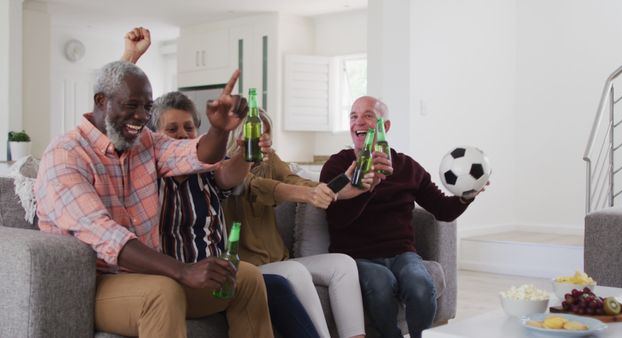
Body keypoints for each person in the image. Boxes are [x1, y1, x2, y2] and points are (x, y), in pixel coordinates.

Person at [34, 46, 273, 338]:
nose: (141, 116)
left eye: (147, 107)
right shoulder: (65, 155)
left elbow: (195, 154)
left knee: (244, 277)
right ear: (101, 101)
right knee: (162, 292)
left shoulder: (144, 142)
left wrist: (219, 130)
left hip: (147, 278)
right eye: (131, 105)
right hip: (92, 285)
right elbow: (106, 235)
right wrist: (184, 271)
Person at [150, 90, 321, 338]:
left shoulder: (207, 171)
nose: (182, 135)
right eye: (172, 129)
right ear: (155, 136)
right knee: (264, 281)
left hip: (214, 280)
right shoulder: (147, 178)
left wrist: (244, 153)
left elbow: (229, 176)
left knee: (270, 285)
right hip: (171, 281)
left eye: (188, 127)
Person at [320, 96, 485, 338]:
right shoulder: (337, 166)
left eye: (368, 116)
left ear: (385, 127)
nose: (359, 122)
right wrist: (368, 187)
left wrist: (467, 195)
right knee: (381, 284)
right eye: (353, 116)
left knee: (420, 285)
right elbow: (337, 219)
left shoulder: (408, 167)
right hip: (357, 256)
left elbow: (442, 210)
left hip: (402, 253)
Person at [223, 109, 367, 338]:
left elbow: (295, 180)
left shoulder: (271, 161)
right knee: (295, 270)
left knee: (343, 264)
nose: (264, 141)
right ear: (240, 138)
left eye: (266, 134)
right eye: (257, 136)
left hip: (279, 260)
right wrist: (305, 195)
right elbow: (261, 187)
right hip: (249, 266)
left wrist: (341, 186)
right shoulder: (225, 169)